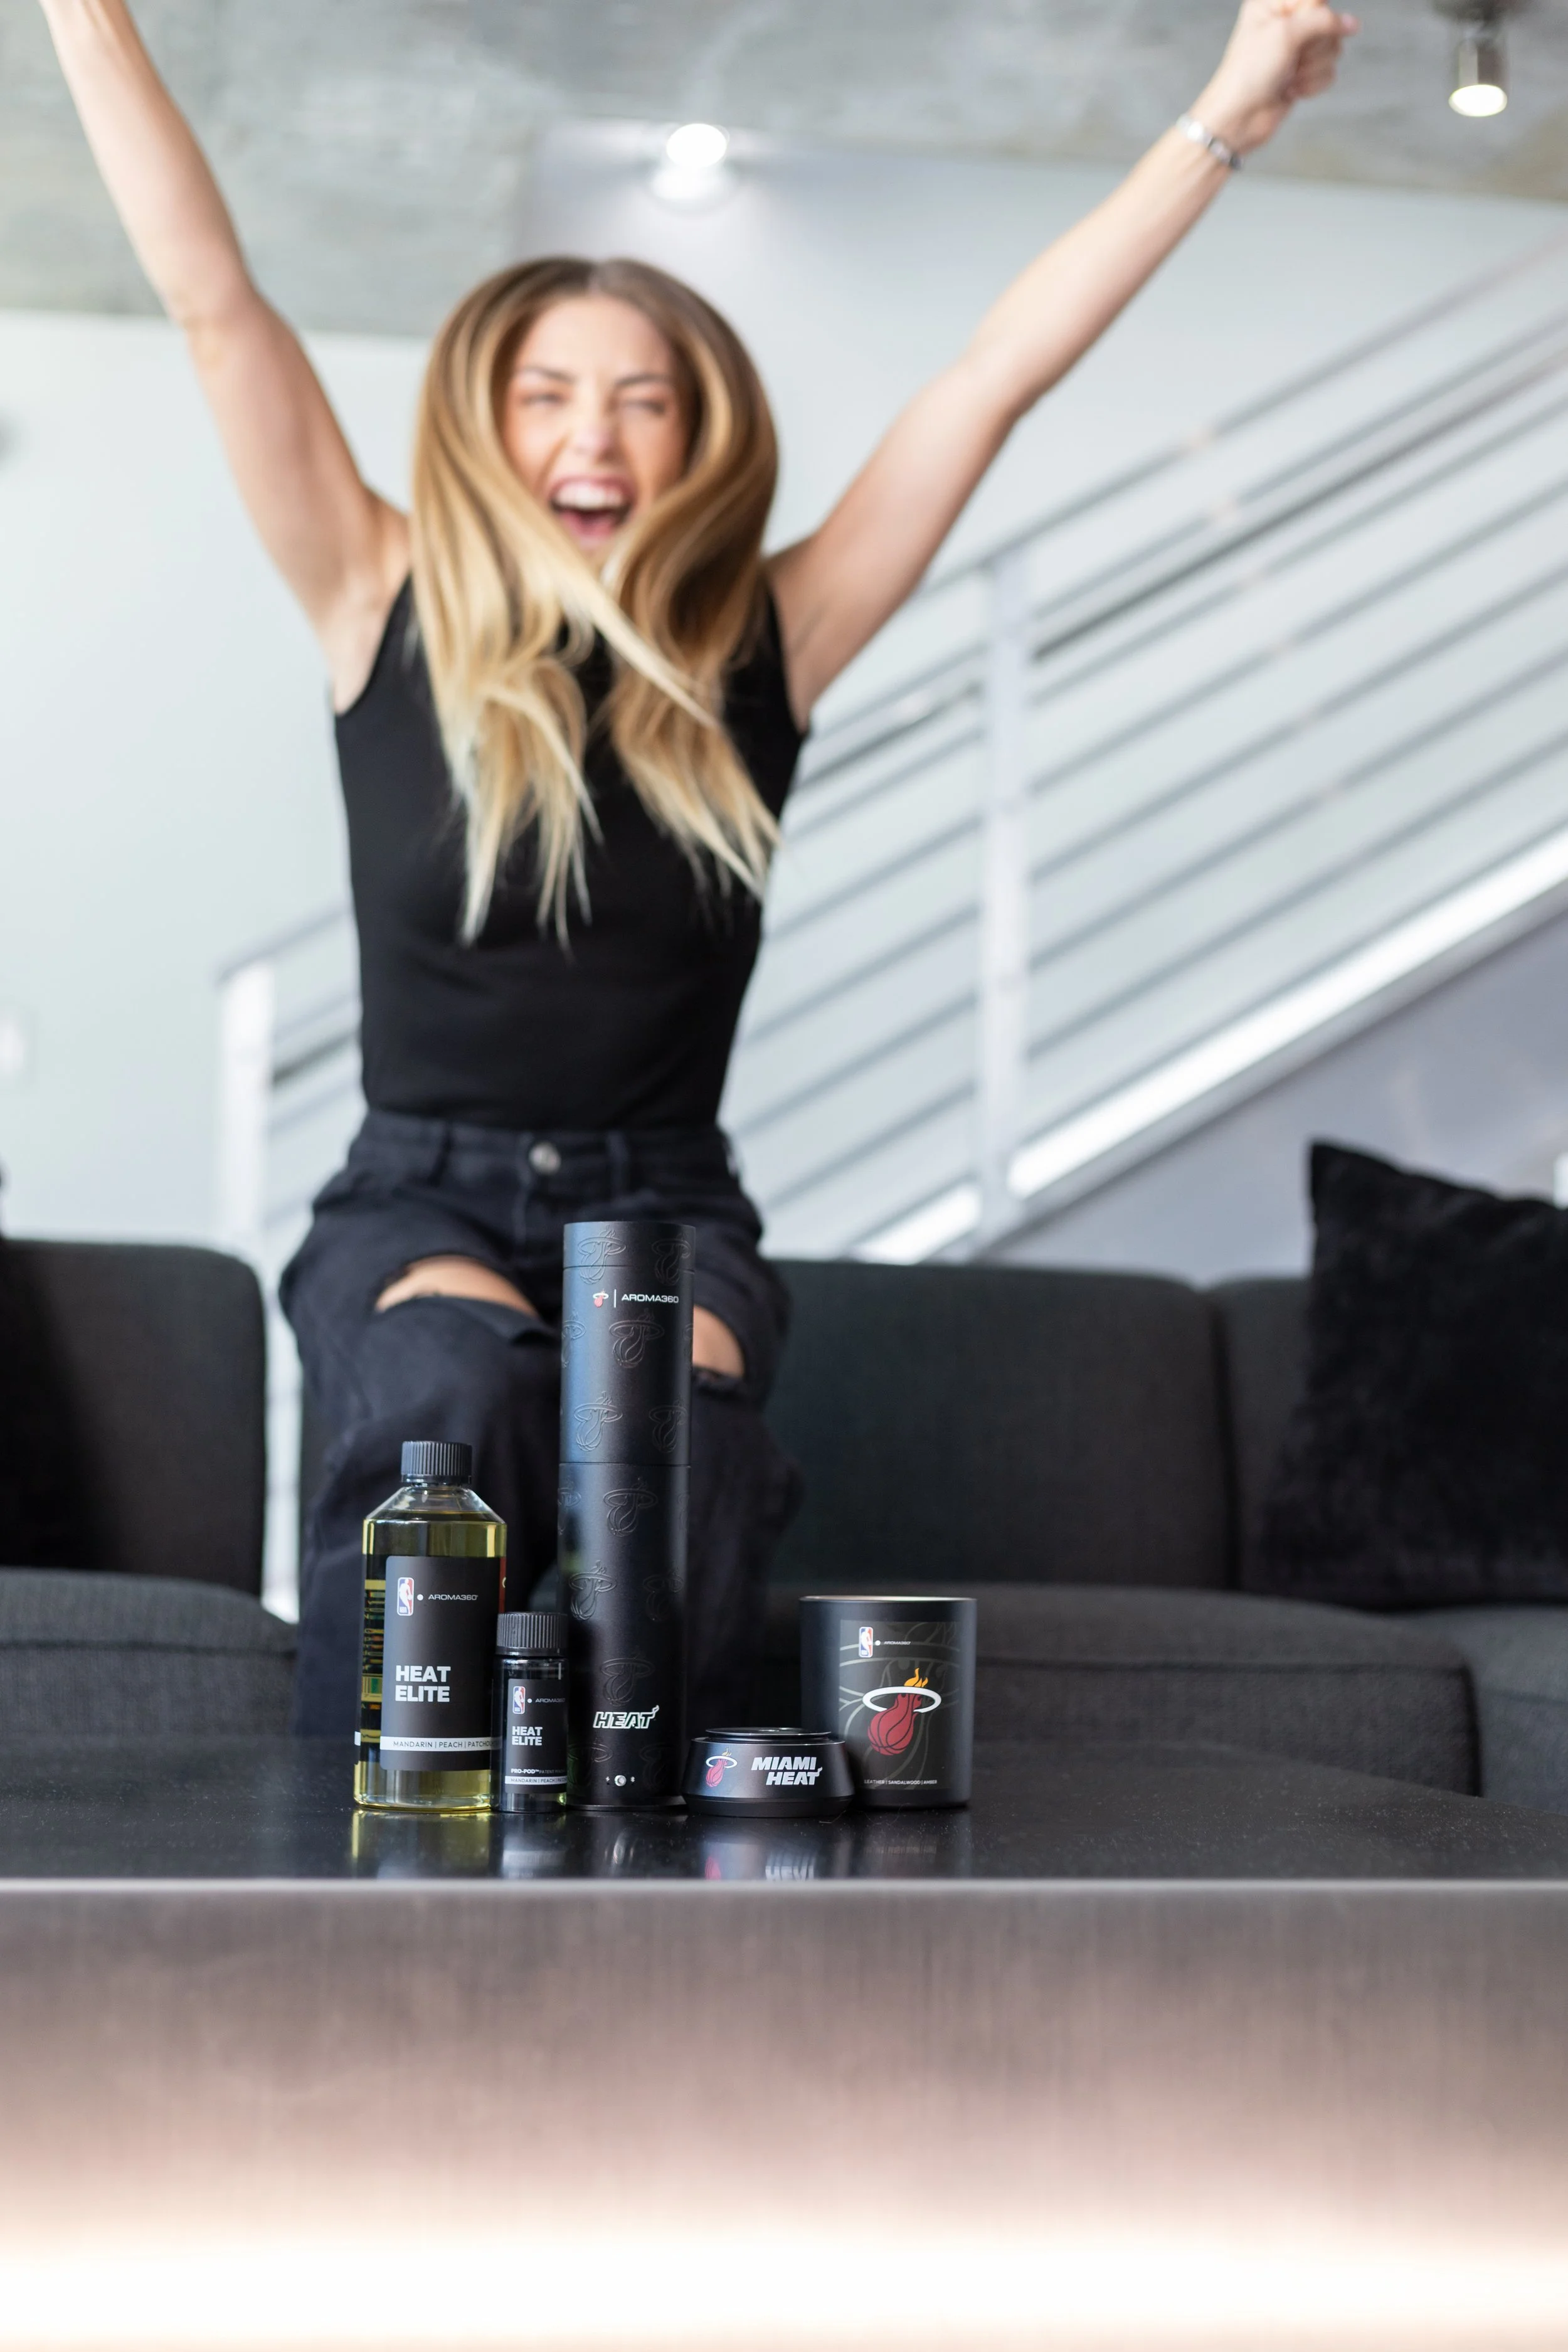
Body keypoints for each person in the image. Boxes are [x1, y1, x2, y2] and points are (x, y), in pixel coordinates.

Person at [39, 0, 1356, 1736]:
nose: (593, 437)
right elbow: (216, 302)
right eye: (548, 396)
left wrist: (1228, 114)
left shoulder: (774, 639)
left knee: (657, 1436)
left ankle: (647, 1855)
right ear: (486, 426)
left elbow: (992, 378)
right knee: (450, 1398)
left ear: (697, 436)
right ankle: (376, 1837)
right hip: (417, 1201)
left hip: (664, 1206)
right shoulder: (377, 592)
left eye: (642, 400)